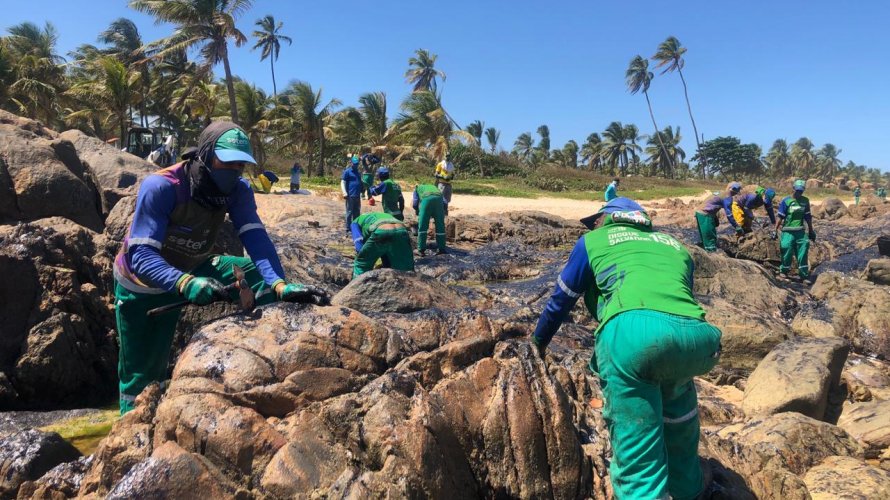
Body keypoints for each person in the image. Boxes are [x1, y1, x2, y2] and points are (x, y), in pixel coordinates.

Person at [112, 122, 330, 414]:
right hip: (142, 285)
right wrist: (186, 284)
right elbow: (141, 254)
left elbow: (254, 235)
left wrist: (279, 285)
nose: (234, 170)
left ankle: (264, 356)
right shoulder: (163, 186)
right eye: (226, 162)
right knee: (141, 374)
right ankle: (130, 430)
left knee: (254, 276)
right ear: (204, 155)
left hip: (196, 266)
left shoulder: (238, 190)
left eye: (240, 164)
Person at [531, 197, 721, 500]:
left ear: (609, 218)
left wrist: (537, 343)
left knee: (638, 445)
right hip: (700, 340)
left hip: (634, 336)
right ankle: (688, 490)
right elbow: (678, 297)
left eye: (596, 220)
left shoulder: (592, 241)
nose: (593, 225)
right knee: (679, 424)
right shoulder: (674, 246)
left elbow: (560, 300)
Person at [350, 212, 415, 278]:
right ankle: (412, 283)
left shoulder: (354, 223)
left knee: (361, 263)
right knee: (405, 268)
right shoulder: (381, 215)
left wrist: (362, 255)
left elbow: (359, 246)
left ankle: (357, 286)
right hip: (402, 230)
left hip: (382, 230)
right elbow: (386, 247)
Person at [775, 179, 815, 280]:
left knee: (803, 249)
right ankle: (784, 271)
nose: (799, 193)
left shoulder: (805, 201)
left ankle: (804, 275)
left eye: (801, 191)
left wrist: (811, 230)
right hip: (788, 231)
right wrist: (775, 229)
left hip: (800, 231)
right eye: (797, 190)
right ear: (793, 189)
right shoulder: (786, 201)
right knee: (786, 248)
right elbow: (780, 217)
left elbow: (807, 216)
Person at [413, 183, 448, 255]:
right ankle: (441, 249)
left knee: (422, 226)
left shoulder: (417, 189)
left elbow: (415, 203)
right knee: (440, 225)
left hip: (427, 199)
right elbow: (445, 202)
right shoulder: (435, 189)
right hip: (439, 200)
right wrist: (440, 211)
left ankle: (421, 250)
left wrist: (419, 212)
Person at [341, 154, 363, 232]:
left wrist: (362, 192)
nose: (355, 165)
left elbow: (360, 183)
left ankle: (355, 227)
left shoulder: (358, 173)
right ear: (351, 163)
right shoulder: (347, 172)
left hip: (357, 196)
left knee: (357, 212)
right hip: (350, 195)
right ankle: (348, 227)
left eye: (357, 164)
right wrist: (344, 193)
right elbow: (343, 182)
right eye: (354, 164)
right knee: (349, 212)